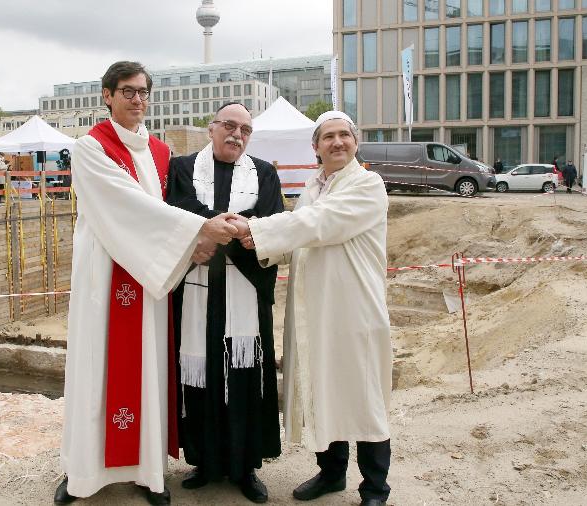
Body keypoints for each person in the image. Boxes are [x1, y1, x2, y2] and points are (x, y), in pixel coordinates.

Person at [55, 60, 240, 506]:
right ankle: (83, 471)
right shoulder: (90, 147)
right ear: (107, 95)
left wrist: (192, 242)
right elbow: (124, 207)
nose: (137, 99)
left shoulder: (159, 153)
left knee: (147, 369)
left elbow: (165, 209)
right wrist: (197, 230)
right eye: (127, 91)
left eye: (142, 92)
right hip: (105, 273)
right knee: (96, 368)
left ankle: (146, 469)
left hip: (147, 276)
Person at [234, 111, 392, 506]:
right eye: (328, 137)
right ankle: (331, 473)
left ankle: (375, 488)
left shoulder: (367, 185)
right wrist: (256, 242)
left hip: (355, 310)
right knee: (324, 389)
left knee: (365, 396)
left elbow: (319, 223)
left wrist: (256, 230)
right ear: (316, 147)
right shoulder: (313, 187)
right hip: (316, 310)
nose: (337, 143)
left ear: (355, 142)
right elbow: (301, 233)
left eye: (344, 136)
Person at [165, 102, 282, 503]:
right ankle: (204, 462)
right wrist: (227, 223)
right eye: (229, 125)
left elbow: (269, 222)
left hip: (244, 293)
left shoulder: (264, 172)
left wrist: (218, 229)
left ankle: (244, 467)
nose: (236, 134)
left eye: (245, 130)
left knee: (244, 374)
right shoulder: (181, 167)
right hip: (196, 292)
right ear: (211, 127)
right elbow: (176, 211)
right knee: (200, 375)